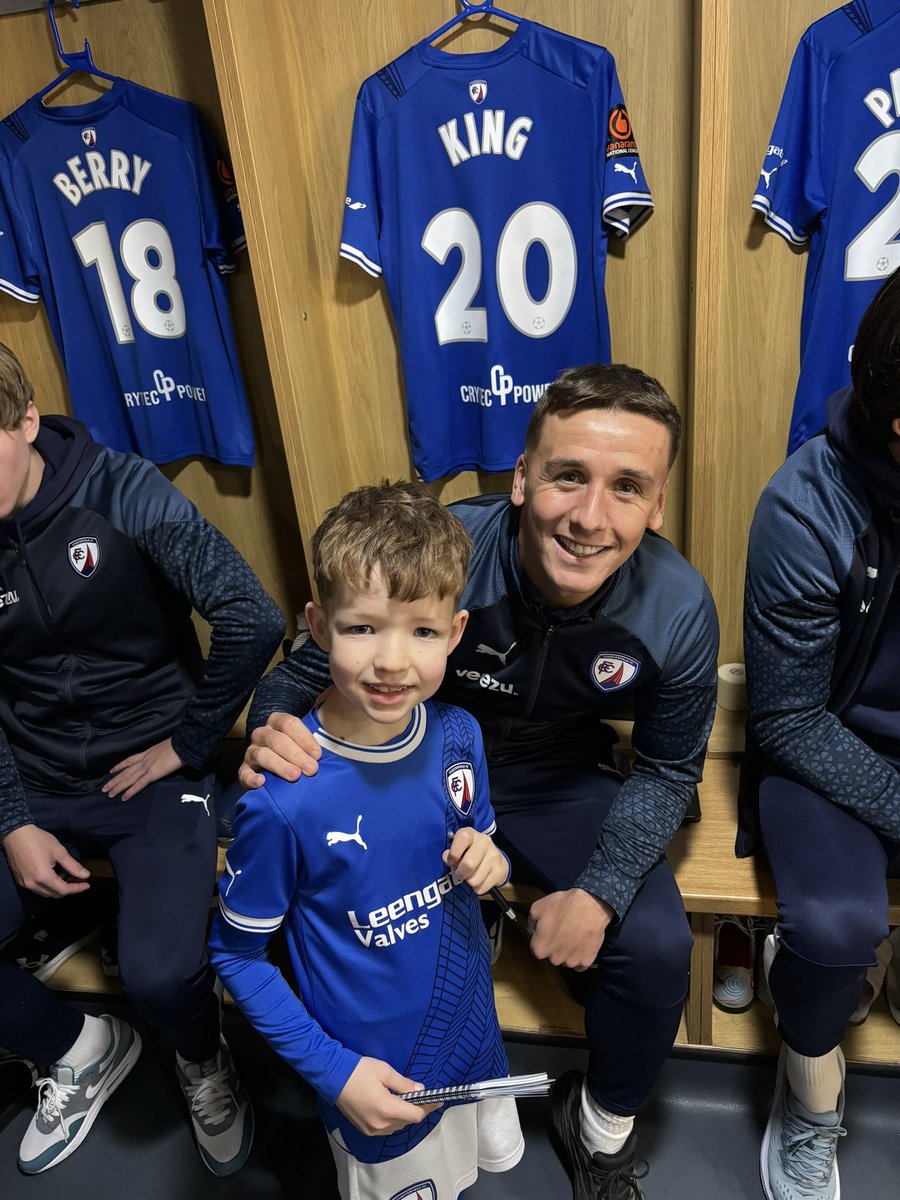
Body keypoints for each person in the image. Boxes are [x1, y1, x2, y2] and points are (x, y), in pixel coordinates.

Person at [239, 363, 720, 1200]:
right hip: (414, 765)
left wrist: (601, 892)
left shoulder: (676, 607)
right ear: (522, 476)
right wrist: (268, 733)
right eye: (568, 474)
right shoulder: (445, 553)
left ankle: (598, 1130)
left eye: (628, 487)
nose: (589, 516)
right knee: (299, 897)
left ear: (658, 505)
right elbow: (302, 672)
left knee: (654, 944)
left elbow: (673, 765)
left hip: (557, 776)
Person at [0, 342, 285, 1176]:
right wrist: (12, 820)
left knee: (163, 976)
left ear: (23, 420)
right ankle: (76, 1045)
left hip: (153, 765)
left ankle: (202, 1058)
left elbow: (252, 618)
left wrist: (187, 741)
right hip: (35, 771)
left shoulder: (122, 491)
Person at [208, 481, 525, 1200]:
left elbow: (487, 848)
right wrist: (334, 1073)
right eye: (362, 629)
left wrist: (491, 859)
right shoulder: (285, 799)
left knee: (477, 1174)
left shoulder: (458, 736)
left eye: (421, 630)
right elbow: (236, 953)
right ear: (319, 628)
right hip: (375, 1078)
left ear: (455, 631)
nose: (391, 661)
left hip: (474, 1042)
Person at [740, 270, 900, 1200]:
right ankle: (809, 1091)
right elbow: (790, 718)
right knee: (837, 928)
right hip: (827, 745)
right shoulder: (806, 506)